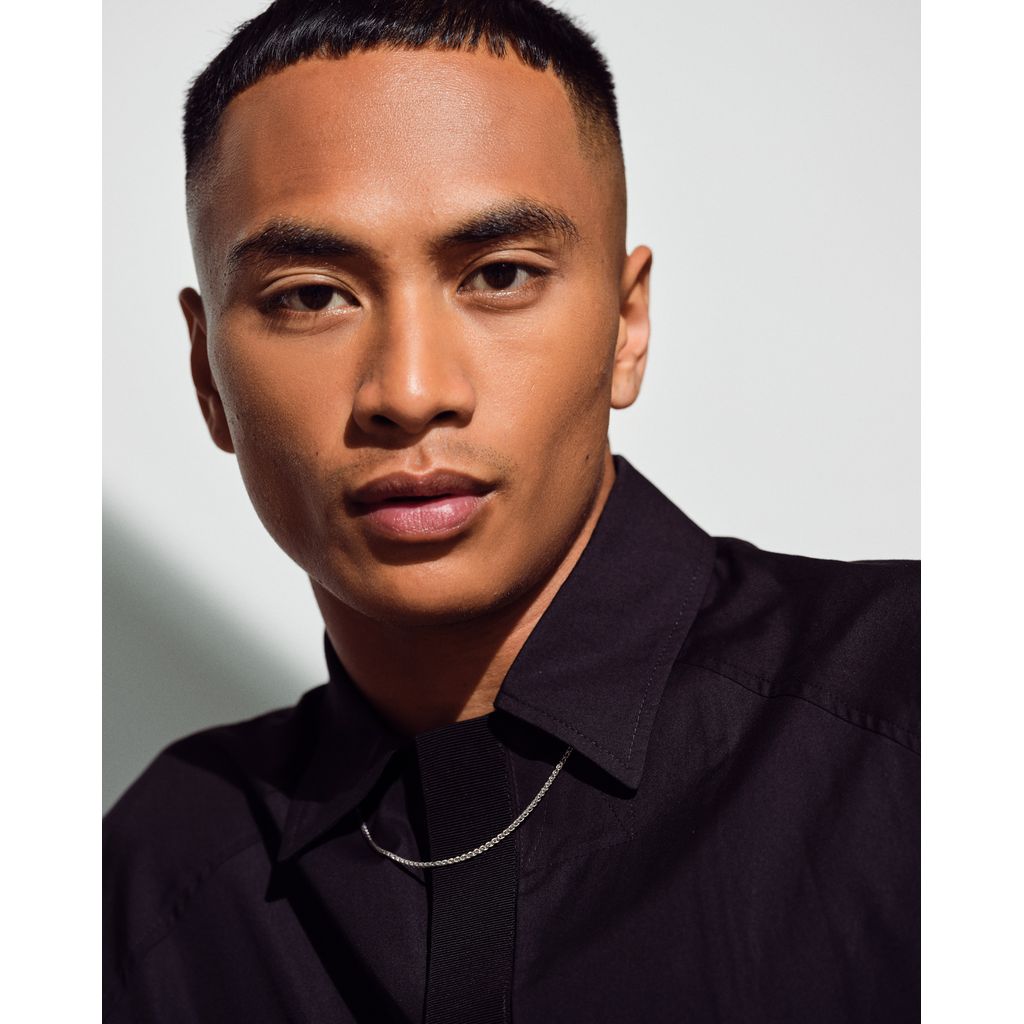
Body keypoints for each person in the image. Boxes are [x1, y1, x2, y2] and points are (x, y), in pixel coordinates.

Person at [103, 1, 920, 1021]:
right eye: (310, 296)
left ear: (625, 327)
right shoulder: (150, 892)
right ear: (207, 376)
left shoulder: (925, 711)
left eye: (498, 277)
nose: (410, 391)